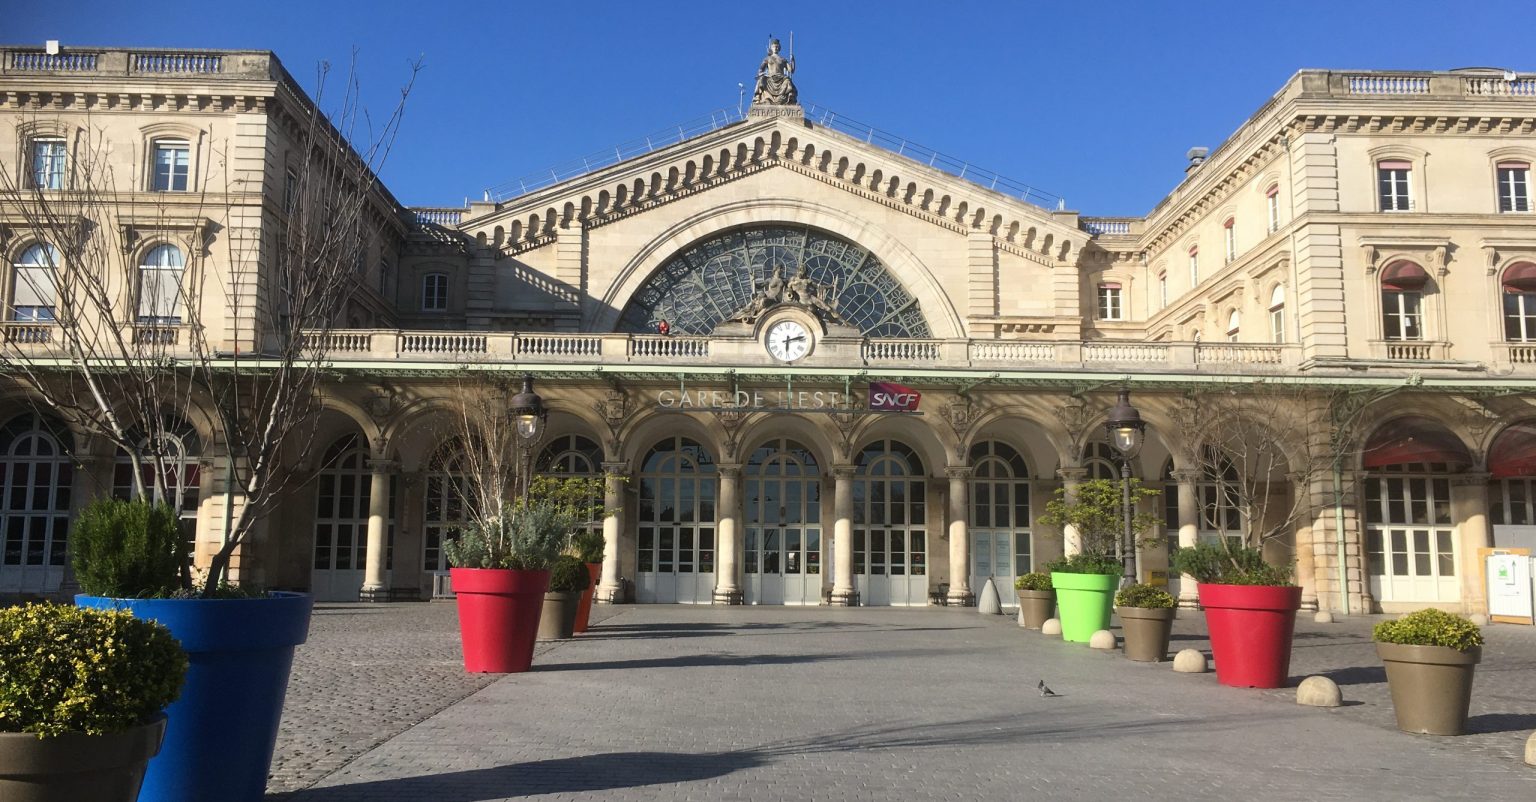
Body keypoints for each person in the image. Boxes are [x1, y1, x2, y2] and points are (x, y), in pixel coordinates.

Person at [752, 38, 797, 106]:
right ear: (771, 48)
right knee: (761, 80)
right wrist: (762, 74)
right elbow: (760, 70)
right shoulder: (767, 59)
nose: (775, 48)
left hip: (781, 78)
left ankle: (786, 100)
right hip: (770, 78)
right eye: (774, 46)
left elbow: (791, 70)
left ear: (779, 48)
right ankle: (759, 99)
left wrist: (793, 61)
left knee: (788, 81)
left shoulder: (783, 59)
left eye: (777, 47)